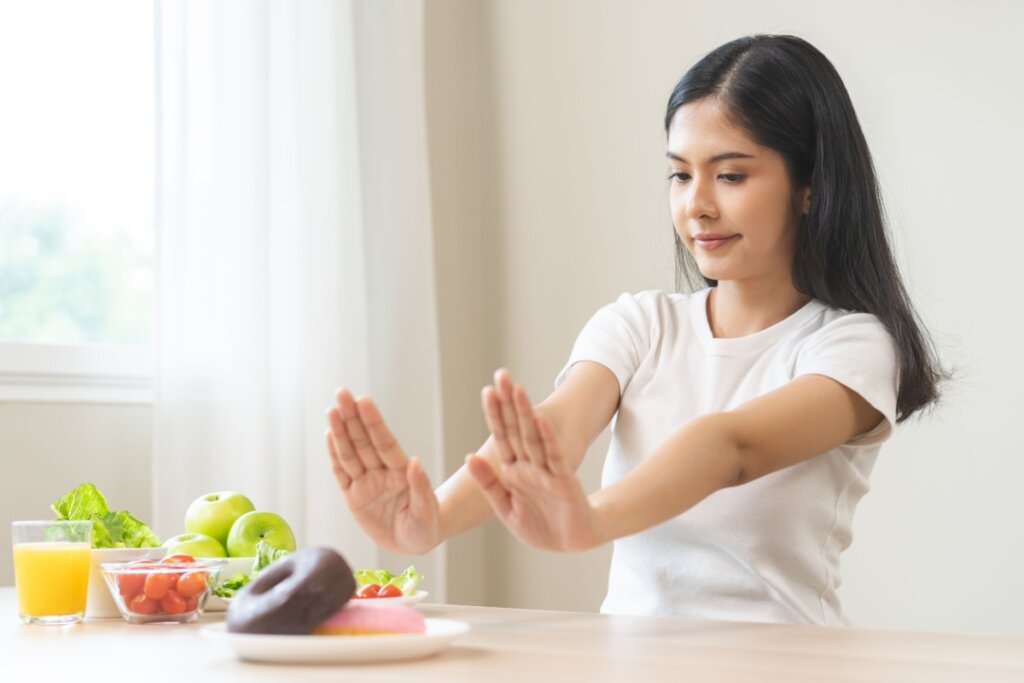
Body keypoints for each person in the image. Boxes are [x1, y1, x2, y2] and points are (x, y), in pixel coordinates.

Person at [324, 34, 944, 626]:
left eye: (730, 175)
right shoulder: (640, 323)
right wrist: (429, 519)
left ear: (810, 188)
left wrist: (590, 521)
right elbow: (555, 433)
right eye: (680, 174)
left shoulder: (853, 347)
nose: (696, 204)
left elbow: (729, 448)